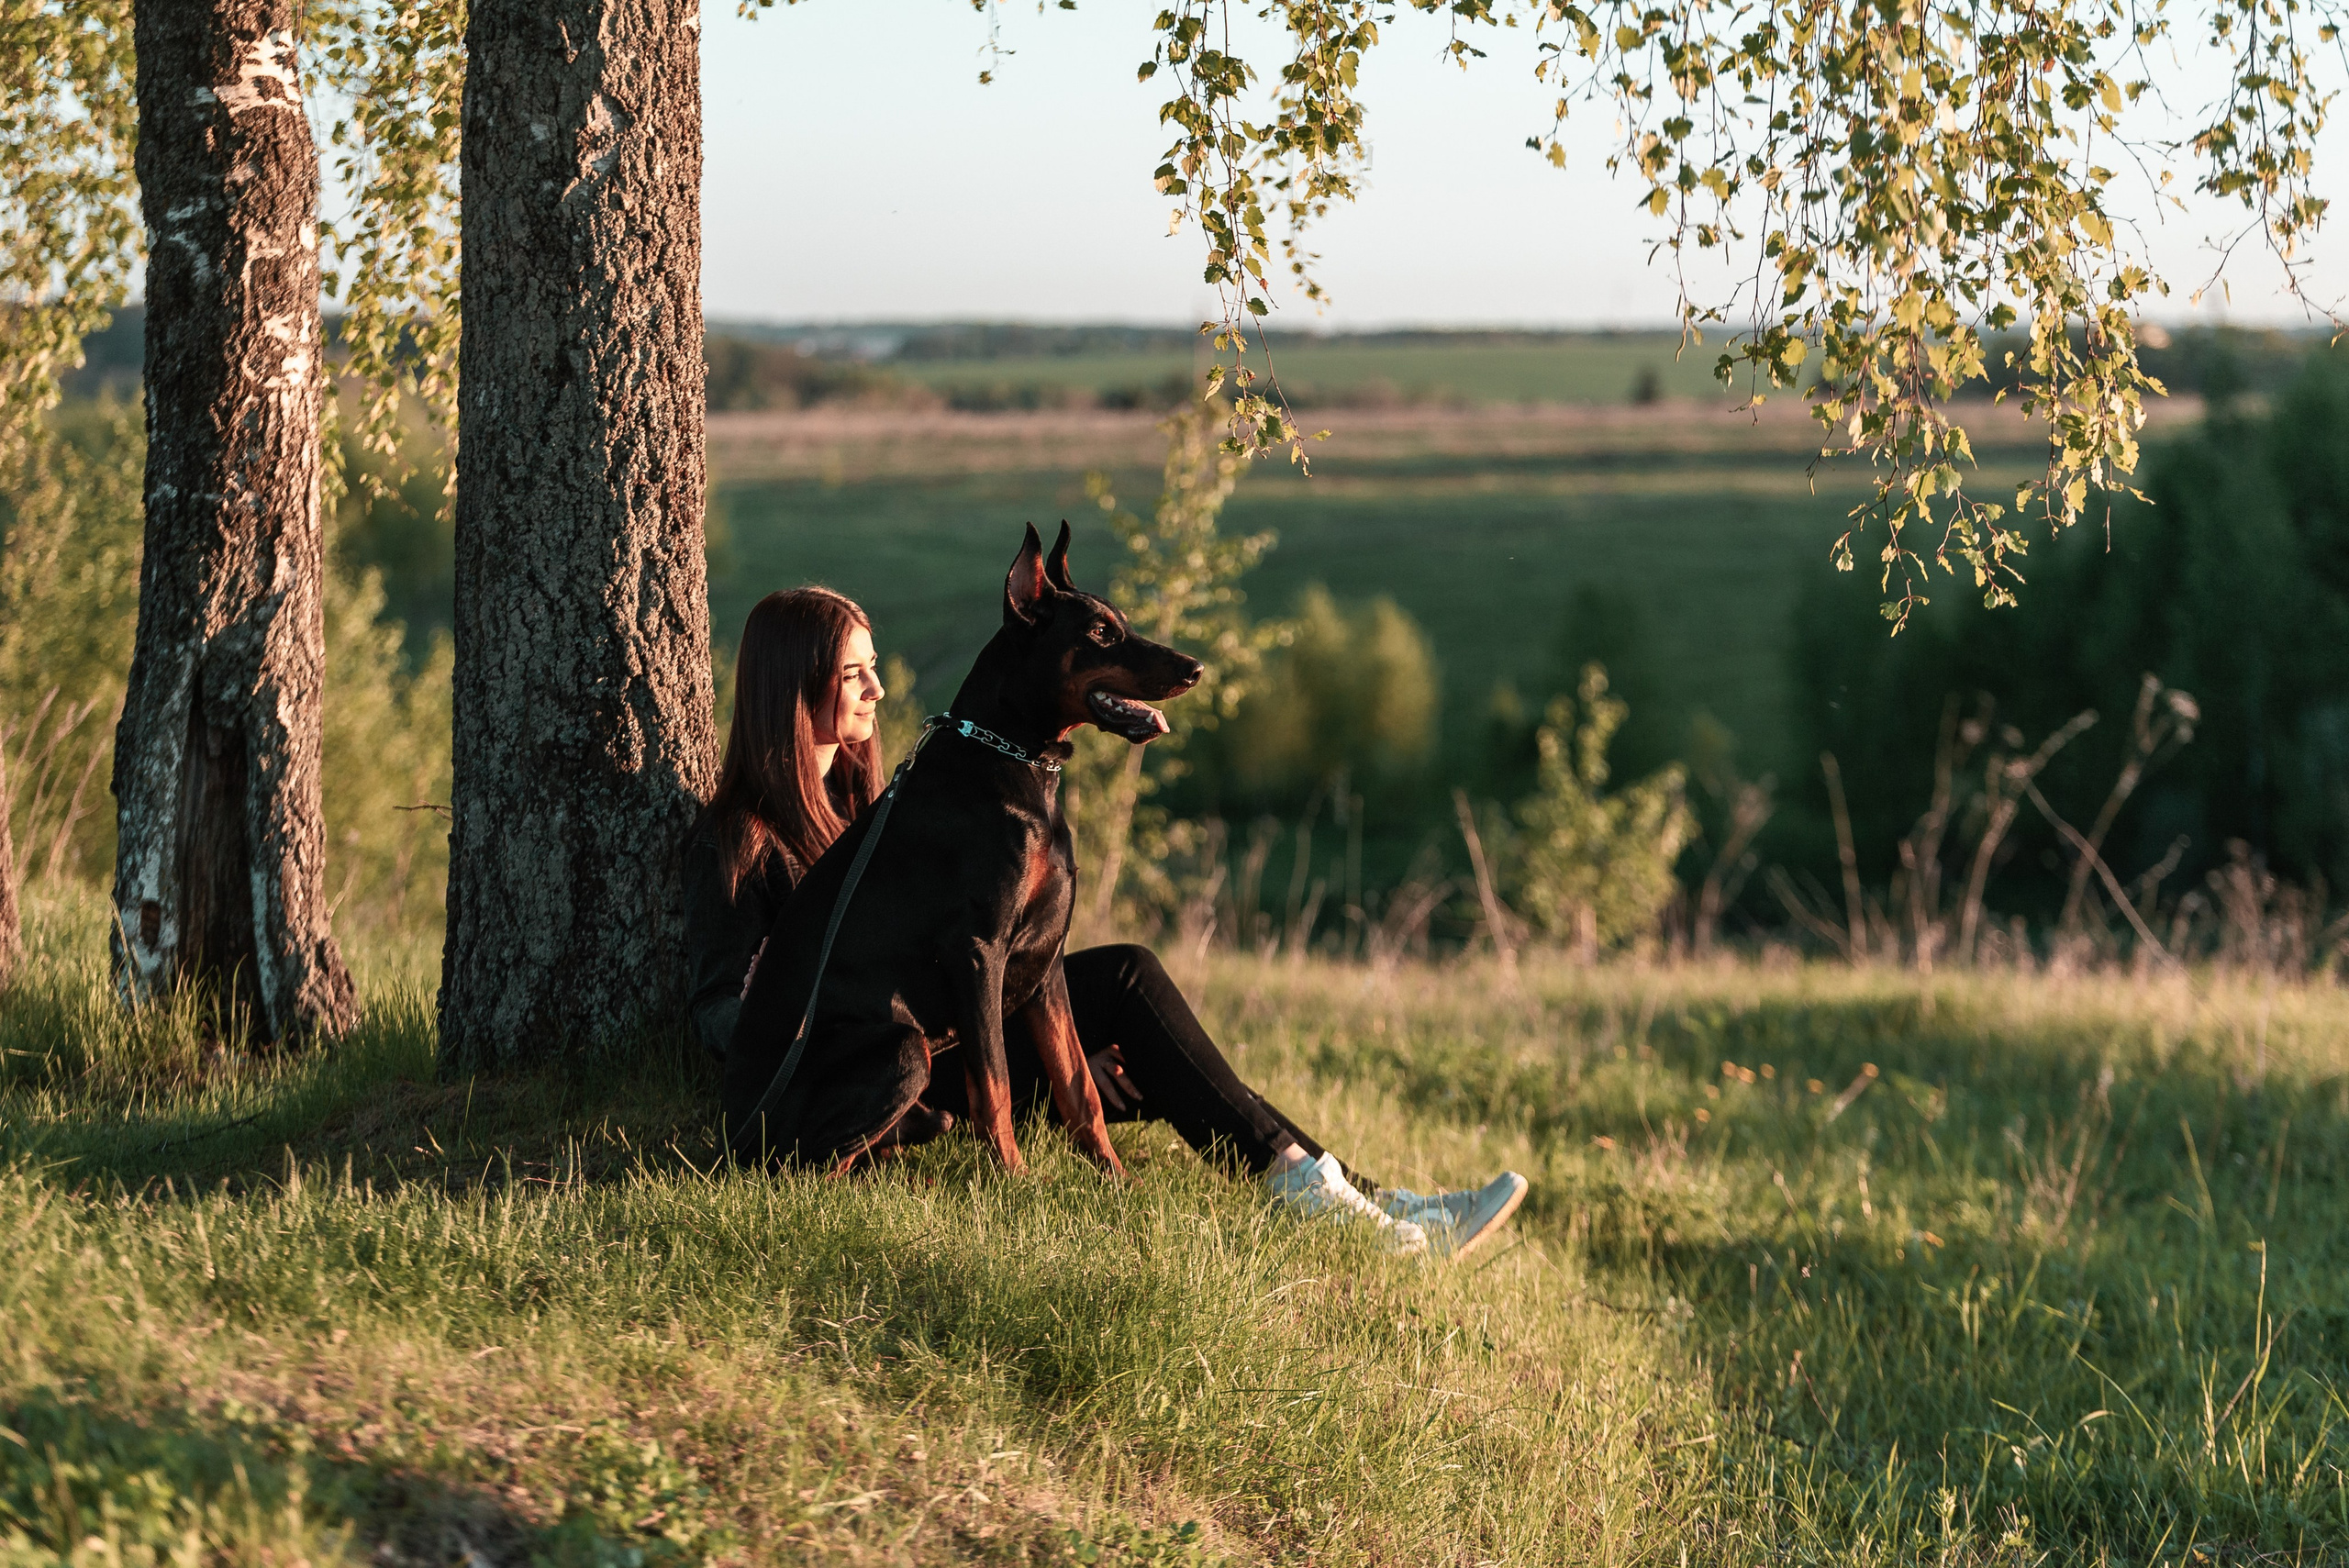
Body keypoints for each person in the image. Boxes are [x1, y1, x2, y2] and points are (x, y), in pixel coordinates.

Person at [683, 585, 1527, 1259]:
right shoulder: (744, 838)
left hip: (951, 1034)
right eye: (852, 673)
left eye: (873, 668)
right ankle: (1355, 1209)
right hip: (878, 1065)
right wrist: (760, 986)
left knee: (1128, 983)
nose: (878, 686)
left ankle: (1363, 1199)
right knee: (1135, 1029)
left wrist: (1063, 1056)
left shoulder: (882, 797)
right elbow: (718, 1012)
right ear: (794, 686)